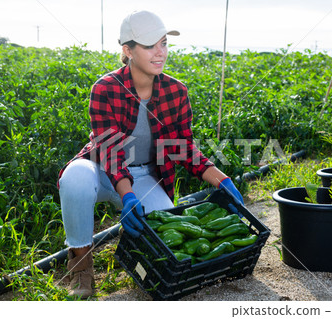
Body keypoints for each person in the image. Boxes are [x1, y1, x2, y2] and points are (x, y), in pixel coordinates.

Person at [57, 10, 244, 298]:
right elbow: (109, 150)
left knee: (168, 236)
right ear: (128, 50)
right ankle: (80, 266)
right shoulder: (105, 89)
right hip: (101, 171)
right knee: (74, 179)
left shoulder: (176, 91)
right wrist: (127, 195)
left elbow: (183, 148)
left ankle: (128, 240)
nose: (160, 53)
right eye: (149, 46)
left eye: (164, 43)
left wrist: (222, 180)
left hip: (145, 175)